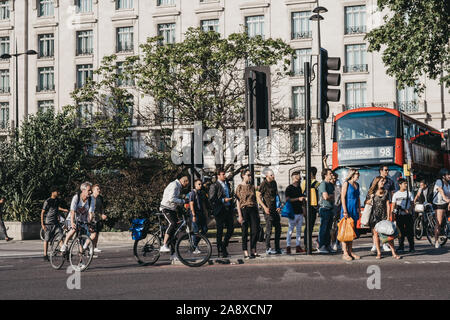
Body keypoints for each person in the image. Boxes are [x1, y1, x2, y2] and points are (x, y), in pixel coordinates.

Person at [366, 176, 400, 259]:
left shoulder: (386, 192)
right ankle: (379, 253)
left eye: (383, 181)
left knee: (389, 235)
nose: (383, 183)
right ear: (377, 182)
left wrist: (388, 216)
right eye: (381, 181)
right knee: (376, 235)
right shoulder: (371, 192)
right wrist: (370, 199)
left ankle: (393, 253)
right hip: (374, 216)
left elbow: (388, 204)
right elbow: (366, 202)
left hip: (383, 216)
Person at [160, 175, 190, 260]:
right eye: (186, 185)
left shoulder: (177, 186)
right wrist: (183, 201)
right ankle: (164, 244)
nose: (185, 187)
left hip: (171, 209)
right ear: (184, 181)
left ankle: (173, 254)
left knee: (174, 233)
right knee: (172, 224)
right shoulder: (174, 185)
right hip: (166, 208)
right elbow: (171, 199)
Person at [60, 182, 96, 252]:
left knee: (86, 237)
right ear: (83, 190)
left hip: (83, 220)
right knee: (74, 229)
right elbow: (72, 211)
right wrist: (72, 222)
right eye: (89, 190)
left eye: (91, 190)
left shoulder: (91, 199)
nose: (90, 192)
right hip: (72, 218)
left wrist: (89, 223)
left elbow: (90, 213)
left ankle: (82, 257)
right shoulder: (76, 197)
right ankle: (65, 244)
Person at [209, 170, 234, 258]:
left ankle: (224, 245)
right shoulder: (214, 185)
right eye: (223, 174)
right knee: (220, 231)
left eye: (225, 174)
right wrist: (223, 200)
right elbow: (212, 199)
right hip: (220, 210)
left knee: (231, 229)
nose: (225, 176)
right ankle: (220, 249)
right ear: (218, 175)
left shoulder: (227, 184)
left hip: (228, 209)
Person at [370, 165, 396, 253]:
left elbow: (392, 195)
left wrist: (392, 207)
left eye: (388, 170)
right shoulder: (376, 180)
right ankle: (375, 244)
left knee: (385, 227)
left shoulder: (390, 181)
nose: (387, 171)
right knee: (375, 228)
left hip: (385, 207)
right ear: (380, 171)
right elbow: (371, 192)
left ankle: (385, 244)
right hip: (376, 208)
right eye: (385, 170)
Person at [257, 168, 282, 255]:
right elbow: (258, 197)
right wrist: (264, 207)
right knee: (269, 229)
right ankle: (268, 248)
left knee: (278, 228)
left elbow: (276, 195)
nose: (273, 176)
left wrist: (279, 206)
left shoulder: (274, 183)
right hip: (268, 210)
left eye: (273, 174)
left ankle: (277, 248)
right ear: (267, 176)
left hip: (274, 209)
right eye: (271, 175)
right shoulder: (263, 184)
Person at [235, 169, 259, 259]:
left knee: (255, 231)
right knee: (244, 231)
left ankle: (253, 249)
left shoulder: (252, 186)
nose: (250, 177)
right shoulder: (239, 187)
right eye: (248, 175)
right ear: (243, 175)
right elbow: (238, 202)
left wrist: (257, 212)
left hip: (253, 209)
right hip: (244, 209)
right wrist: (240, 215)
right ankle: (245, 251)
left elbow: (255, 200)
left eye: (250, 175)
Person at [41, 187, 68, 261]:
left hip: (56, 223)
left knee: (60, 236)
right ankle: (45, 255)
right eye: (57, 191)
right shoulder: (48, 201)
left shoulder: (57, 200)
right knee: (46, 239)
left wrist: (60, 214)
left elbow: (57, 208)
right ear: (52, 192)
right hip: (48, 223)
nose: (58, 192)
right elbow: (42, 212)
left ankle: (64, 252)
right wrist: (42, 224)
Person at [340, 169, 361, 261]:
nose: (358, 175)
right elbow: (342, 197)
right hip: (347, 208)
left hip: (354, 209)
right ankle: (345, 253)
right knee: (345, 230)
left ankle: (350, 251)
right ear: (352, 174)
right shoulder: (346, 183)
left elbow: (358, 197)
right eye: (357, 174)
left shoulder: (357, 185)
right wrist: (345, 210)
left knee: (351, 231)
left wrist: (359, 209)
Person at [285, 171, 306, 254]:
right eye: (298, 175)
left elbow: (301, 200)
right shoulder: (289, 188)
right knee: (290, 230)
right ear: (294, 177)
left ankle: (298, 246)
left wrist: (304, 209)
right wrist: (298, 199)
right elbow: (287, 199)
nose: (300, 177)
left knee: (299, 231)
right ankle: (288, 246)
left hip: (299, 212)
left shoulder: (299, 187)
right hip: (292, 212)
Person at [392, 178, 415, 253]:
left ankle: (411, 247)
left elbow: (412, 204)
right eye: (404, 184)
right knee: (400, 231)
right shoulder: (396, 194)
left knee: (410, 231)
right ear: (400, 185)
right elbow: (393, 205)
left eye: (406, 184)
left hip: (408, 215)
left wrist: (409, 210)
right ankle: (401, 246)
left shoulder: (409, 193)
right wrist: (393, 214)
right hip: (399, 215)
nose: (406, 185)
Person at [301, 167, 320, 250]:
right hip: (312, 206)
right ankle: (307, 245)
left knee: (308, 226)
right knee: (310, 226)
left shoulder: (304, 182)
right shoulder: (316, 183)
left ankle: (307, 245)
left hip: (305, 206)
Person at [318, 169, 335, 254]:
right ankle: (321, 246)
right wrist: (331, 196)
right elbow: (326, 197)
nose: (332, 175)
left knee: (329, 229)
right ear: (325, 175)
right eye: (330, 173)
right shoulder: (323, 184)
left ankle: (327, 245)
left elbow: (333, 195)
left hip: (330, 208)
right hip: (324, 208)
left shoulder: (330, 185)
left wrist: (331, 196)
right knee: (324, 229)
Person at [189, 179, 208, 254]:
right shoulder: (192, 193)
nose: (200, 185)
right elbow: (191, 204)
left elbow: (203, 204)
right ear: (195, 185)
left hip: (201, 213)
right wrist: (193, 214)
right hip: (195, 214)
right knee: (196, 231)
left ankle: (194, 245)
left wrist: (205, 213)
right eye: (199, 184)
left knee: (205, 229)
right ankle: (194, 247)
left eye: (201, 184)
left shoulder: (201, 193)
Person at [432, 168, 450, 248]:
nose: (449, 176)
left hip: (446, 203)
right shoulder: (439, 182)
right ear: (443, 176)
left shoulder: (448, 184)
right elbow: (440, 190)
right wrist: (445, 198)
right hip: (439, 204)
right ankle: (436, 241)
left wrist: (449, 202)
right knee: (438, 223)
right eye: (448, 174)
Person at [91, 184, 107, 254]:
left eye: (99, 189)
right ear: (93, 190)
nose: (99, 190)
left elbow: (102, 207)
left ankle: (94, 247)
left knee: (97, 233)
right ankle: (89, 247)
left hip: (98, 218)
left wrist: (103, 214)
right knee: (92, 234)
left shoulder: (100, 198)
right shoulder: (90, 198)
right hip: (91, 217)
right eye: (97, 189)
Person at [330, 172, 342, 252]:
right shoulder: (329, 186)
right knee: (332, 228)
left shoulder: (338, 187)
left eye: (335, 178)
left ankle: (338, 243)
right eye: (333, 178)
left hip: (338, 208)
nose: (334, 180)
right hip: (331, 208)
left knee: (338, 227)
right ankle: (333, 243)